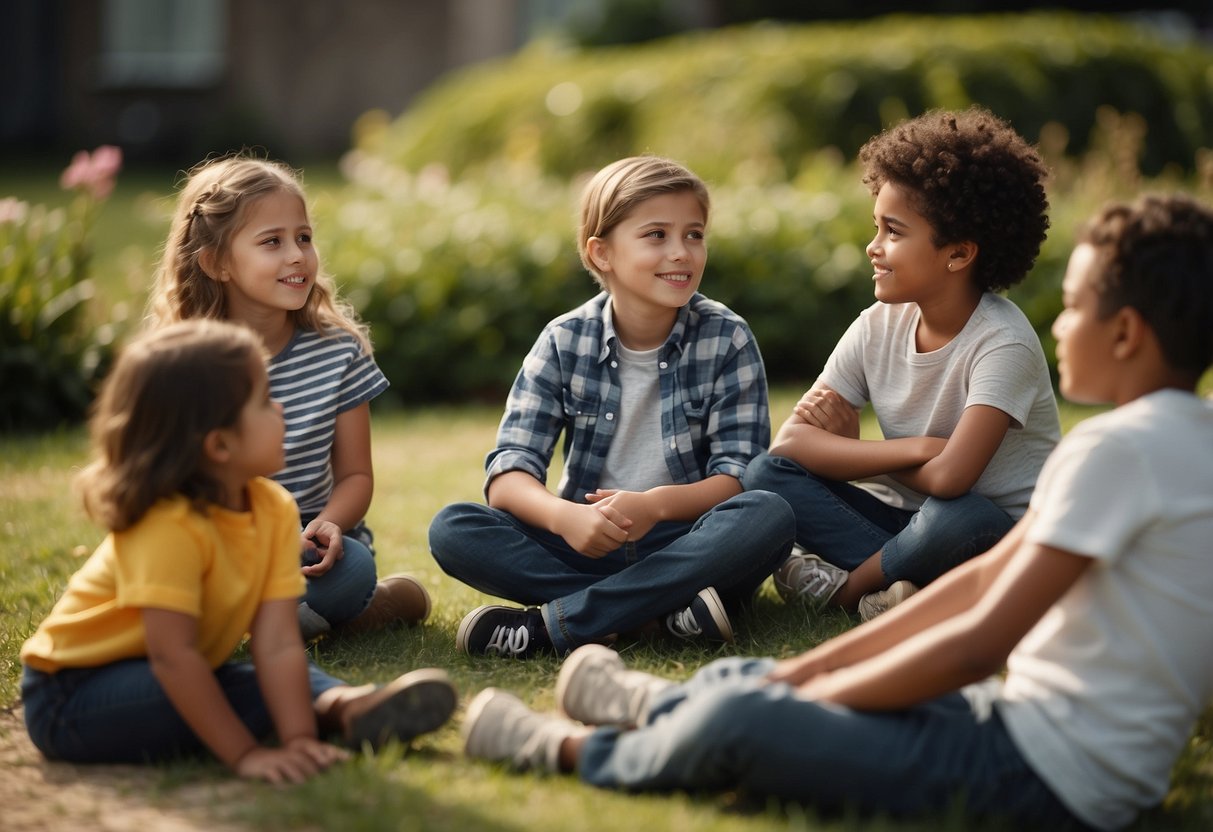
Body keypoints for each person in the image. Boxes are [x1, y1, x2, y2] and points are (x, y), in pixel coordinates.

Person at [460, 192, 1213, 831]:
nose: (1057, 323)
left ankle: (560, 747)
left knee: (745, 724)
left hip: (1042, 775)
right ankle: (658, 702)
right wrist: (802, 675)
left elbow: (976, 641)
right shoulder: (1177, 440)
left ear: (1125, 332)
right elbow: (978, 586)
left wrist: (810, 695)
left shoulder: (1118, 451)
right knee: (762, 683)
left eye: (1074, 305)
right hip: (1012, 721)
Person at [21, 321, 457, 781]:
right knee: (221, 687)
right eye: (265, 401)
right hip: (71, 695)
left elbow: (276, 642)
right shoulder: (166, 523)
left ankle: (341, 708)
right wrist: (246, 755)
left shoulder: (272, 507)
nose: (281, 407)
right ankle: (322, 712)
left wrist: (298, 740)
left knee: (247, 679)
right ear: (219, 444)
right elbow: (174, 658)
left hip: (173, 669)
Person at [428, 155, 795, 658]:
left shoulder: (727, 337)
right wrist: (564, 519)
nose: (681, 253)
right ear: (602, 253)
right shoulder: (562, 341)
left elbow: (736, 478)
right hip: (584, 541)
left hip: (686, 542)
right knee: (454, 528)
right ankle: (661, 616)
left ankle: (560, 624)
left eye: (694, 234)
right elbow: (508, 475)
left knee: (767, 513)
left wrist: (654, 506)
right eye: (656, 235)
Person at [744, 106, 1060, 620]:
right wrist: (919, 449)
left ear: (958, 255)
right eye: (877, 227)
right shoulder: (877, 325)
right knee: (765, 473)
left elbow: (954, 480)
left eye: (893, 231)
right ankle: (899, 587)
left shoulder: (1004, 343)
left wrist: (849, 451)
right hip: (901, 524)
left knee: (959, 520)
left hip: (992, 537)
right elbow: (792, 445)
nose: (873, 247)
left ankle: (844, 592)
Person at [147, 154, 427, 640]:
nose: (297, 255)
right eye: (271, 242)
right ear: (216, 263)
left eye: (303, 237)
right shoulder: (185, 364)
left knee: (352, 570)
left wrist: (329, 526)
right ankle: (343, 614)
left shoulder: (339, 352)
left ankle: (292, 614)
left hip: (313, 553)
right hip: (222, 548)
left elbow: (356, 475)